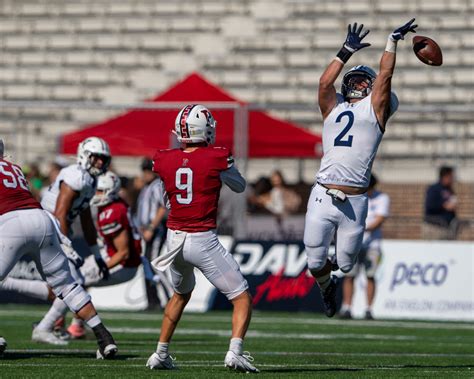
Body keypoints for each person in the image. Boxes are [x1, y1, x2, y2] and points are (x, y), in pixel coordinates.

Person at [303, 19, 415, 317]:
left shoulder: (375, 109)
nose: (358, 84)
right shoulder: (333, 106)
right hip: (323, 193)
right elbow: (324, 83)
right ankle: (326, 286)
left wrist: (392, 43)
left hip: (355, 199)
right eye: (355, 80)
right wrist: (345, 52)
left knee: (349, 264)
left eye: (365, 81)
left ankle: (333, 281)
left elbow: (386, 76)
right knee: (314, 263)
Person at [146, 104, 258, 373]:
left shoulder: (163, 158)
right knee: (241, 298)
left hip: (173, 240)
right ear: (204, 129)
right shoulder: (216, 156)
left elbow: (164, 196)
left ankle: (160, 353)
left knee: (180, 294)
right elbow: (239, 185)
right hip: (202, 239)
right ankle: (235, 352)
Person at [0, 138, 117, 359]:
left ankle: (43, 328)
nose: (100, 163)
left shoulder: (82, 178)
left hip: (13, 223)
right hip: (42, 221)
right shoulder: (14, 168)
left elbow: (66, 212)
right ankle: (104, 337)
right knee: (69, 286)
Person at [32, 136, 112, 343]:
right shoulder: (75, 175)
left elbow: (86, 221)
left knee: (66, 283)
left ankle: (46, 326)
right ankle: (46, 326)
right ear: (85, 156)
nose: (101, 163)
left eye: (104, 159)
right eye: (96, 158)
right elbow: (61, 213)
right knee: (72, 281)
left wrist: (97, 256)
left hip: (49, 229)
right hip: (43, 227)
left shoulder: (90, 179)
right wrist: (66, 246)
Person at [339, 174, 390, 320]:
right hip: (353, 243)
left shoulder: (382, 198)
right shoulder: (354, 197)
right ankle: (347, 307)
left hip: (373, 244)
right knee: (349, 275)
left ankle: (368, 309)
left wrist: (360, 229)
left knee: (370, 275)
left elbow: (379, 220)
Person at [135, 157, 169, 309]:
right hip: (146, 230)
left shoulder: (156, 186)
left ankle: (171, 297)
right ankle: (153, 301)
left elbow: (162, 208)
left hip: (155, 230)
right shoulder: (146, 187)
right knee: (147, 266)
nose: (146, 174)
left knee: (154, 264)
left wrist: (151, 227)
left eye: (148, 171)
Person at [423, 166, 459, 239]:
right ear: (445, 176)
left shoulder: (450, 190)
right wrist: (444, 205)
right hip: (435, 228)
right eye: (451, 176)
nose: (452, 179)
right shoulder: (434, 189)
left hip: (448, 228)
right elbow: (430, 205)